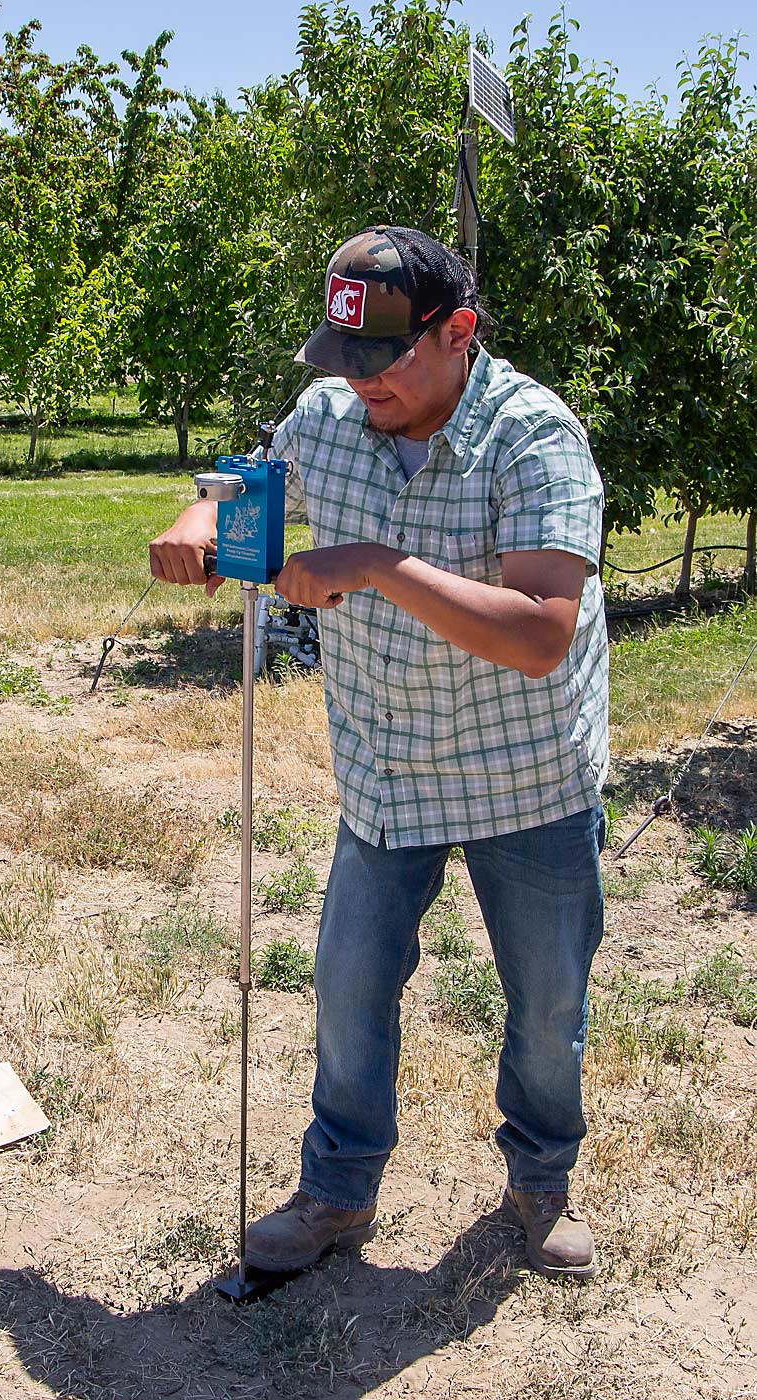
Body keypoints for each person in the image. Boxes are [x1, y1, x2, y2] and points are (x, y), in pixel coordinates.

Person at [149, 226, 609, 1283]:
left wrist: (373, 562)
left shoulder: (532, 434)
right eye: (342, 361)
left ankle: (539, 1184)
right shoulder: (330, 409)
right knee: (349, 983)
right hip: (386, 765)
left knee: (544, 1008)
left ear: (459, 332)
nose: (358, 388)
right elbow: (244, 486)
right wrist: (199, 518)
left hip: (522, 769)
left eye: (383, 361)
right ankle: (337, 1191)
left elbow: (541, 632)